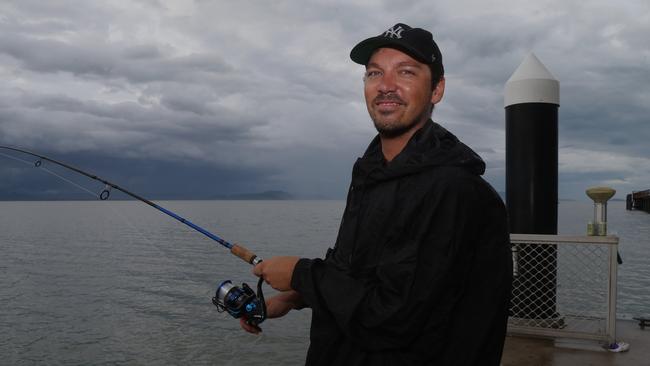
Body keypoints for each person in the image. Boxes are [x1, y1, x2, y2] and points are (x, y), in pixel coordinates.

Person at [242, 23, 513, 366]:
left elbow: (393, 319)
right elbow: (363, 275)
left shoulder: (453, 191)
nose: (386, 86)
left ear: (437, 90)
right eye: (374, 73)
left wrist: (301, 274)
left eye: (406, 72)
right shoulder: (372, 174)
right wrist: (298, 296)